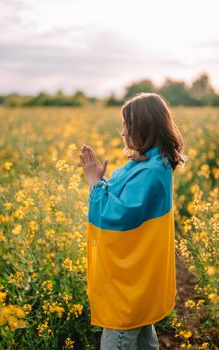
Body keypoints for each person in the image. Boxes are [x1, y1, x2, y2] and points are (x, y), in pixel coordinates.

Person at [79, 92, 188, 350]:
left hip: (130, 281)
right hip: (139, 278)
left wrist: (95, 183)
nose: (122, 133)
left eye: (127, 125)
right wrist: (101, 183)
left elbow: (119, 217)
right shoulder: (151, 163)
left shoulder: (151, 170)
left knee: (120, 334)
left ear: (143, 127)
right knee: (143, 335)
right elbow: (128, 202)